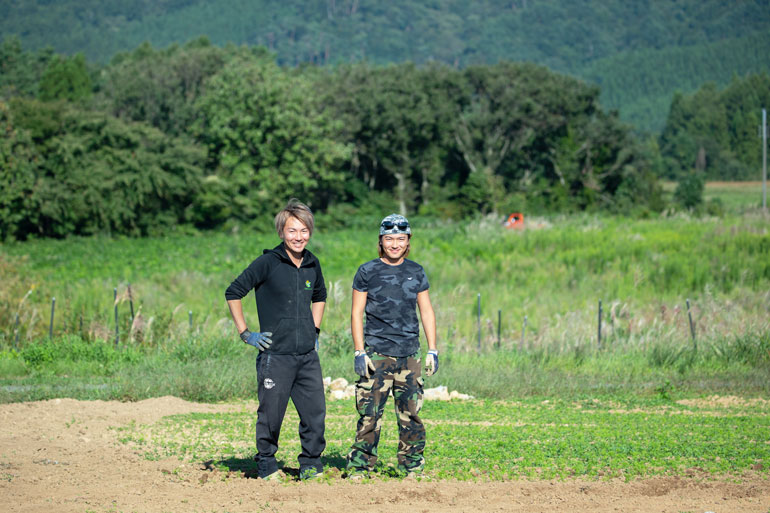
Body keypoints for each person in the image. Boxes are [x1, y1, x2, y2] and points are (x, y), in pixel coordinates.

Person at [225, 199, 327, 481]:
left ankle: (311, 464)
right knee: (271, 415)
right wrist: (246, 333)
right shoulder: (268, 262)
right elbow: (233, 292)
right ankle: (267, 465)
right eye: (292, 230)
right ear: (282, 232)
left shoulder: (312, 263)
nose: (299, 237)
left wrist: (315, 331)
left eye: (304, 230)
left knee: (315, 414)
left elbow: (320, 296)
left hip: (306, 356)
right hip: (275, 356)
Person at [346, 213, 438, 478]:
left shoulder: (416, 271)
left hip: (409, 355)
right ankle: (359, 467)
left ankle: (412, 466)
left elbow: (426, 311)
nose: (394, 244)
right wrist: (359, 351)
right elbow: (356, 312)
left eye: (400, 239)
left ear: (408, 241)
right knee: (369, 414)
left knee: (411, 415)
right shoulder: (367, 271)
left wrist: (432, 349)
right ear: (381, 241)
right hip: (377, 354)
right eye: (389, 239)